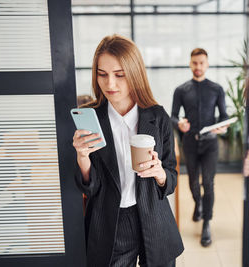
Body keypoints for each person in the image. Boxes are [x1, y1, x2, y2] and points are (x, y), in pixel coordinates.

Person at [73, 34, 183, 267]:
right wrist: (83, 157)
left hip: (153, 217)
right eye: (102, 74)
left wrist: (159, 173)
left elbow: (171, 178)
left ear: (134, 73)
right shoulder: (90, 118)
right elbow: (90, 188)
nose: (110, 84)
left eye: (119, 75)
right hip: (111, 222)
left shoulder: (158, 117)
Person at [171, 48, 228, 247]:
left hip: (211, 142)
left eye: (202, 63)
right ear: (190, 64)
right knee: (193, 182)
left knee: (209, 183)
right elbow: (172, 116)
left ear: (207, 64)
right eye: (195, 63)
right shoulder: (181, 90)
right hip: (190, 142)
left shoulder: (216, 89)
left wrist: (222, 126)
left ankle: (206, 223)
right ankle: (198, 203)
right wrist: (179, 124)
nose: (198, 67)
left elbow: (224, 116)